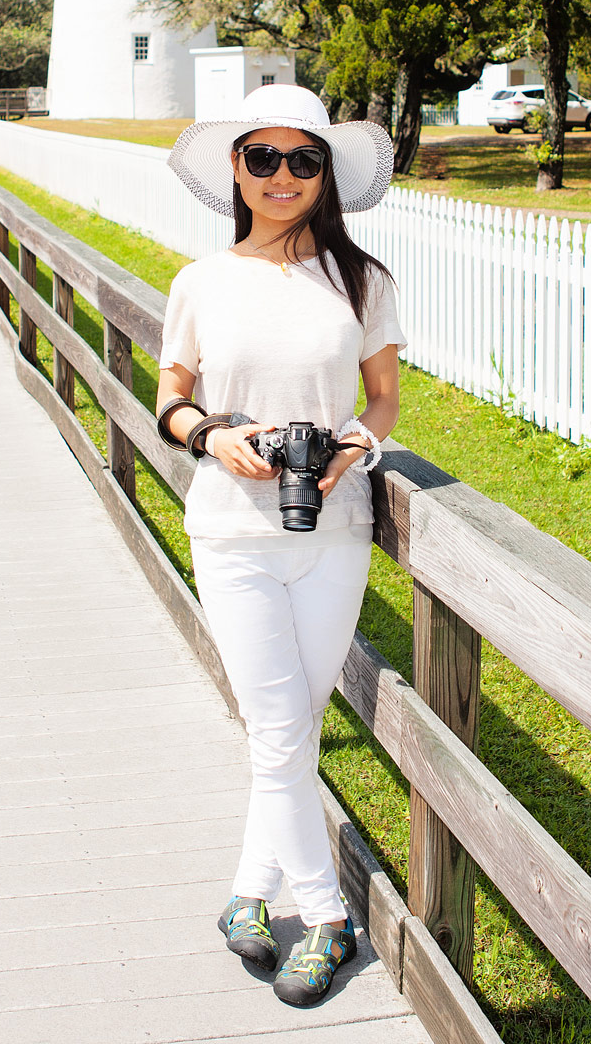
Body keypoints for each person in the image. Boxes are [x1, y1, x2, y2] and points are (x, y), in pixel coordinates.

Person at [157, 83, 404, 1009]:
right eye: (261, 158)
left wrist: (355, 444)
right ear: (235, 168)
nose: (282, 177)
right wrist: (210, 437)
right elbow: (170, 393)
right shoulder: (200, 281)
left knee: (287, 733)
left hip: (333, 532)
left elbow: (380, 399)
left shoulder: (363, 280)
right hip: (232, 533)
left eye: (302, 160)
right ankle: (329, 914)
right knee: (277, 730)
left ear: (325, 174)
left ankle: (247, 899)